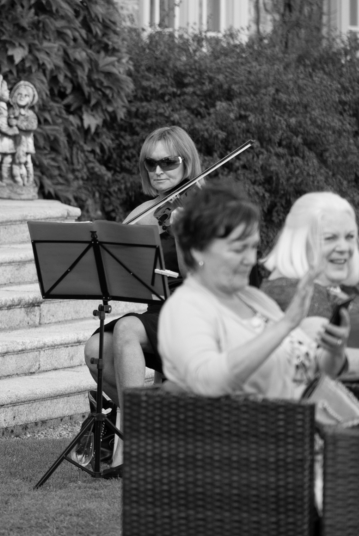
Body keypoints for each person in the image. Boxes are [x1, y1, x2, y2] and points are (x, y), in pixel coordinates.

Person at [158, 183, 348, 400]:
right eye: (239, 249)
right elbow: (207, 381)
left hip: (322, 413)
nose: (250, 260)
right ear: (199, 250)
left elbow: (318, 367)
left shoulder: (253, 298)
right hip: (269, 427)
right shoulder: (188, 307)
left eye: (253, 247)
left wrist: (335, 349)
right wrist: (286, 324)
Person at [81, 127, 201, 461]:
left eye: (168, 161)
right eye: (151, 163)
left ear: (186, 162)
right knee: (95, 349)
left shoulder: (203, 209)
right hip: (158, 310)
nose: (159, 170)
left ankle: (129, 447)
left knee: (127, 328)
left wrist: (182, 236)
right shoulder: (147, 211)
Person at [260, 192, 359, 348]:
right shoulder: (305, 298)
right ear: (300, 241)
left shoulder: (284, 286)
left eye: (350, 237)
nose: (344, 248)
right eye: (330, 238)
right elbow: (325, 363)